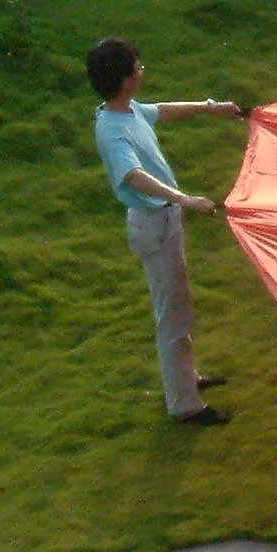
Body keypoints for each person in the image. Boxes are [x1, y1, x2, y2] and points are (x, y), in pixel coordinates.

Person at [89, 36, 245, 426]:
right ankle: (184, 404)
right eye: (138, 67)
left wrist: (211, 108)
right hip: (153, 224)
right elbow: (133, 175)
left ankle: (185, 381)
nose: (142, 71)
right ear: (125, 79)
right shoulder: (111, 128)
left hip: (162, 221)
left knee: (179, 306)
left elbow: (163, 111)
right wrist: (184, 199)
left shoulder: (127, 111)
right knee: (172, 314)